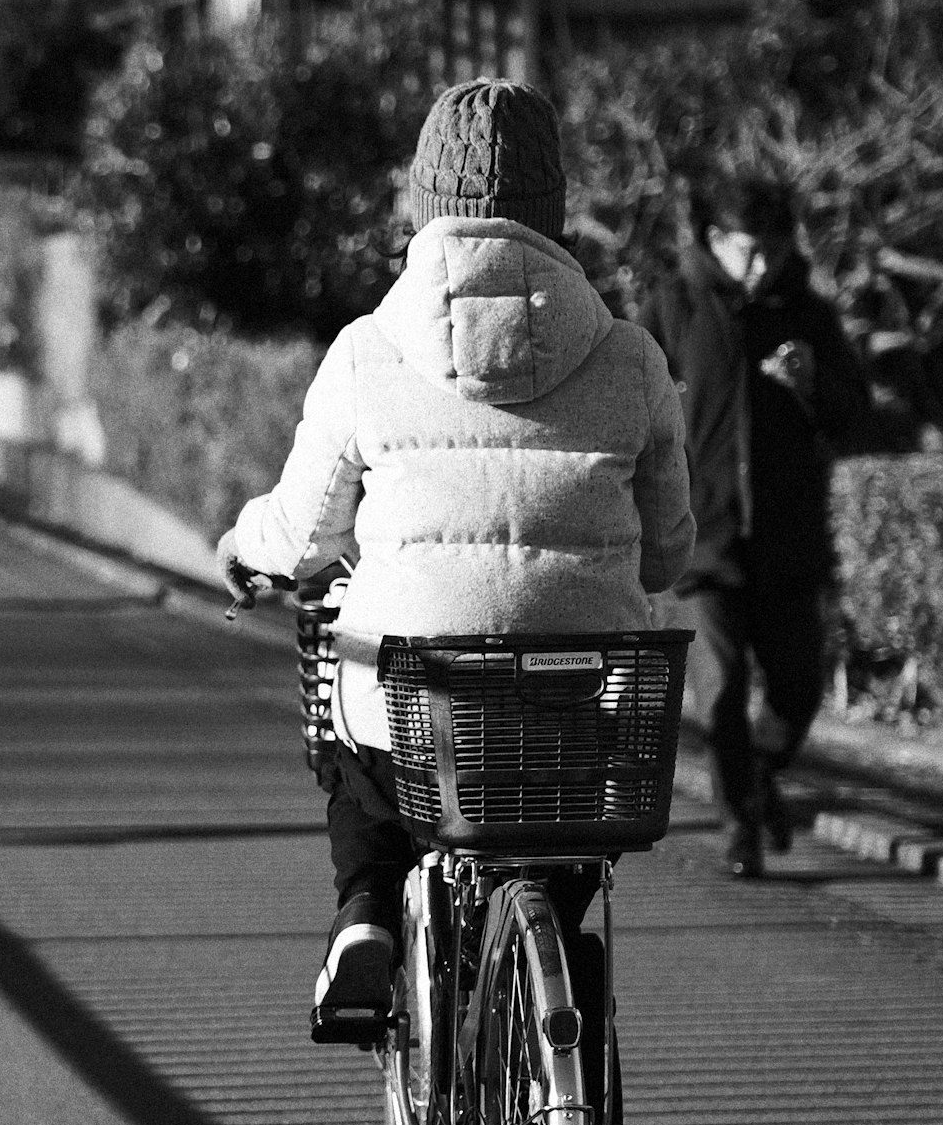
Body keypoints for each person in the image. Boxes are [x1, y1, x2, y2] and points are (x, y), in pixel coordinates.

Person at [216, 78, 690, 1041]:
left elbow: (306, 535)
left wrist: (241, 545)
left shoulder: (366, 352)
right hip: (575, 700)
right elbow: (670, 549)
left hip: (420, 707)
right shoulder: (632, 356)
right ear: (552, 212)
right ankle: (550, 984)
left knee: (355, 757)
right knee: (557, 834)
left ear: (424, 208)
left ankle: (365, 917)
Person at [642, 174, 872, 875]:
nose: (762, 265)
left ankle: (764, 774)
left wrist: (813, 384)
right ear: (715, 240)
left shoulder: (805, 312)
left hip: (786, 538)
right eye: (749, 250)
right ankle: (741, 827)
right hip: (701, 541)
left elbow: (857, 413)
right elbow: (630, 407)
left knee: (799, 688)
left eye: (775, 250)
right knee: (724, 692)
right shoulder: (673, 308)